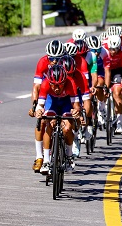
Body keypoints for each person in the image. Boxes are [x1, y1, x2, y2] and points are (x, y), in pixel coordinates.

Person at [34, 64, 83, 174]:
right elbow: (40, 105)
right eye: (54, 85)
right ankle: (46, 160)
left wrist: (76, 112)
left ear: (65, 81)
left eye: (60, 85)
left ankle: (69, 156)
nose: (56, 88)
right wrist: (38, 111)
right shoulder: (45, 83)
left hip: (66, 103)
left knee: (67, 128)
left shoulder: (71, 83)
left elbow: (75, 105)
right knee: (49, 125)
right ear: (49, 82)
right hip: (52, 103)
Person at [29, 40, 65, 173]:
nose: (54, 61)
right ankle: (39, 157)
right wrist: (35, 105)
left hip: (64, 92)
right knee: (42, 120)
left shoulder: (66, 63)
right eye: (51, 58)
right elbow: (36, 86)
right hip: (48, 92)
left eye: (57, 59)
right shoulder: (43, 62)